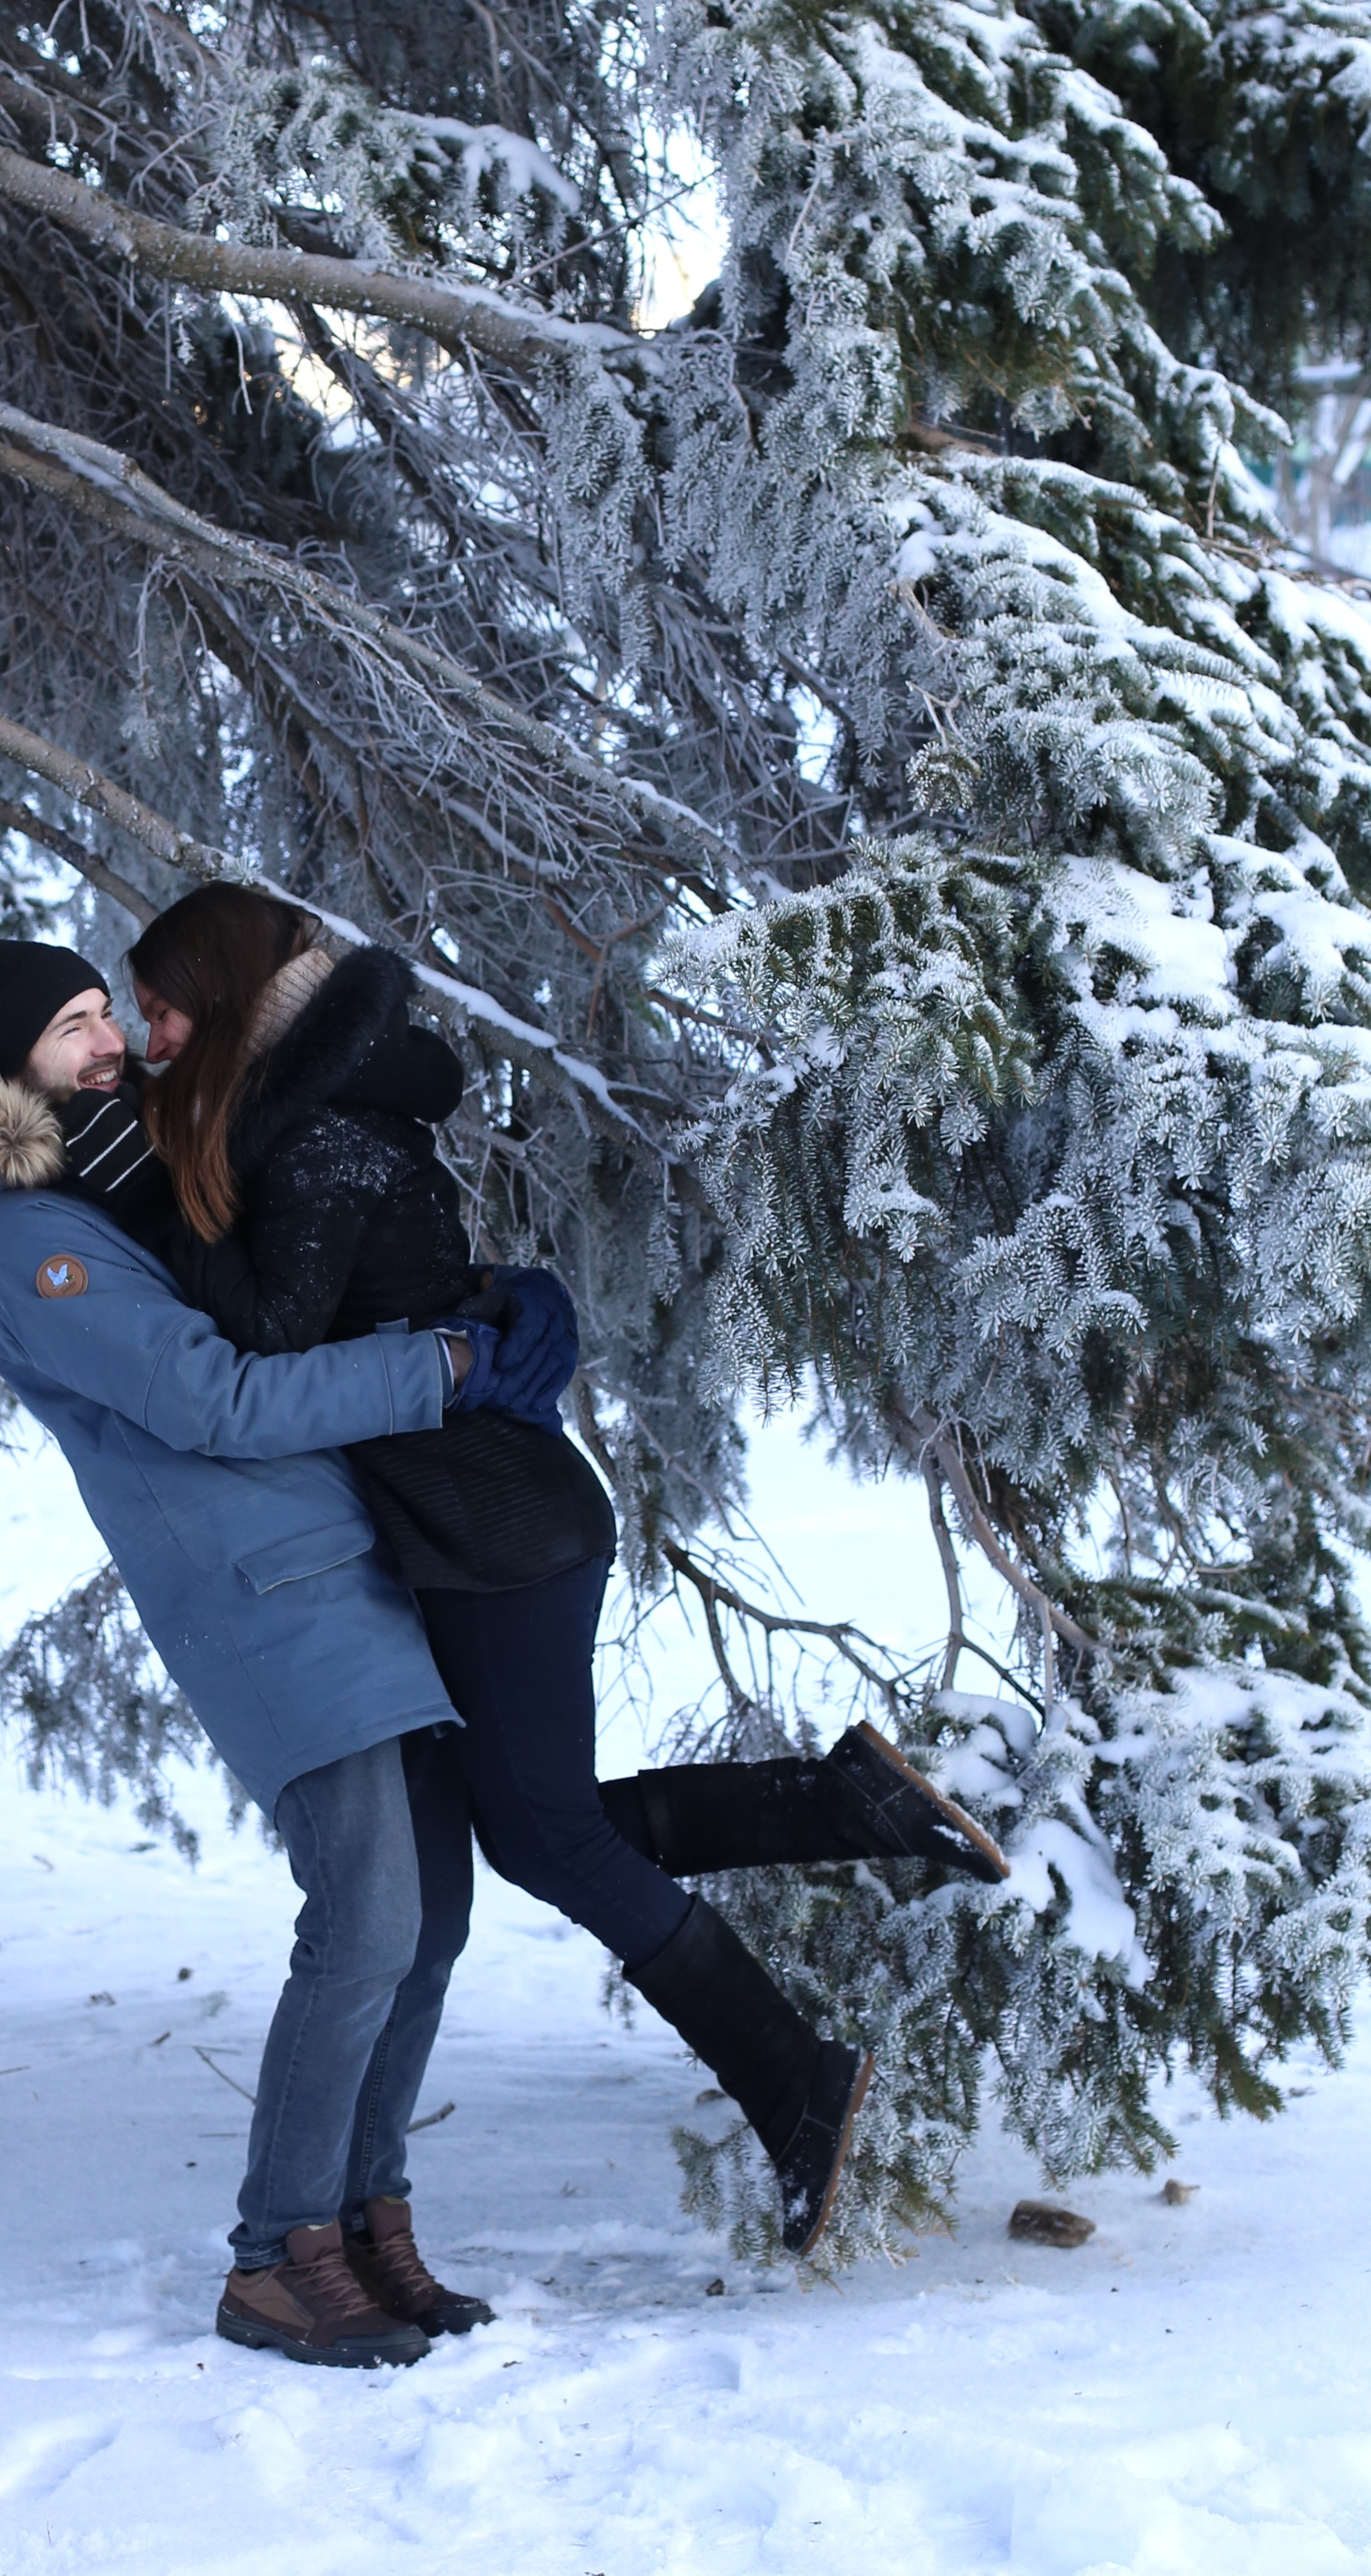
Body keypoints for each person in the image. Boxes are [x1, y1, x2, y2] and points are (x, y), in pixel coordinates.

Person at [128, 887, 1009, 2260]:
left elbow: (271, 1351)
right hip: (492, 1520)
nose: (149, 1038)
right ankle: (842, 1803)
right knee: (534, 1820)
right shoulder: (338, 1119)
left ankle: (795, 2076)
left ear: (230, 1003)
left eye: (166, 1010)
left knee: (543, 1835)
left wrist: (169, 1211)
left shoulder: (316, 1143)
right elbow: (388, 1291)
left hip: (494, 1532)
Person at [0, 933, 558, 2370]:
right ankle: (278, 2257)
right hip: (268, 1598)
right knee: (368, 1924)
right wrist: (438, 1370)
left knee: (429, 1925)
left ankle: (368, 2221)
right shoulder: (36, 1239)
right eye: (74, 1027)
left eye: (106, 1016)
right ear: (3, 1064)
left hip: (352, 1565)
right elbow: (213, 1400)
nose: (110, 1045)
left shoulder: (121, 1182)